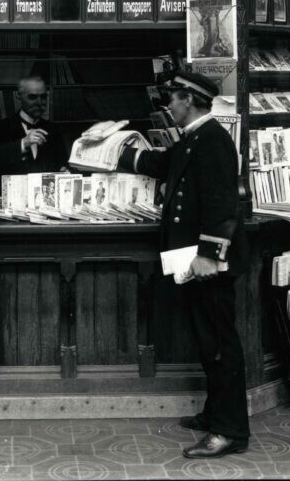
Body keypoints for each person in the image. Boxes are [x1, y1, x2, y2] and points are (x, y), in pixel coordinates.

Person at [118, 72, 249, 458]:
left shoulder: (213, 141)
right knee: (209, 344)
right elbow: (163, 164)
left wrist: (210, 253)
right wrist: (115, 151)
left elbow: (223, 203)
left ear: (188, 100)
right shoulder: (194, 138)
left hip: (208, 262)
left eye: (172, 100)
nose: (168, 107)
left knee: (221, 347)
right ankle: (215, 415)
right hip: (192, 260)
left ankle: (230, 432)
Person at [0, 76, 66, 195]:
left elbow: (62, 164)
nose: (39, 103)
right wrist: (22, 144)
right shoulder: (1, 127)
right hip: (10, 200)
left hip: (43, 201)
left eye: (43, 97)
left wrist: (65, 171)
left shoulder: (53, 129)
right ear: (18, 96)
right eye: (32, 97)